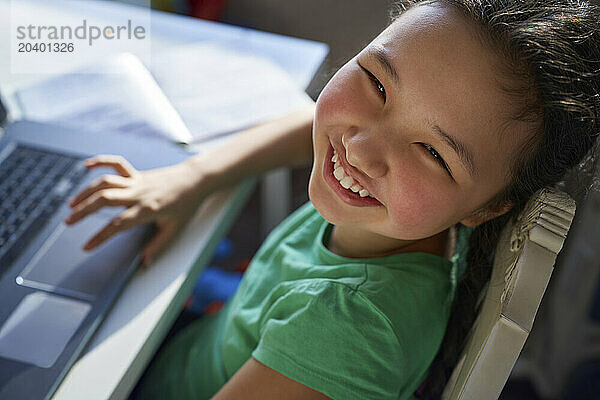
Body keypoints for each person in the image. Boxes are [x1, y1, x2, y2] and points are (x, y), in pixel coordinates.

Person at [64, 0, 600, 398]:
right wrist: (193, 176)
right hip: (205, 336)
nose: (362, 148)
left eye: (434, 154)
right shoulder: (405, 219)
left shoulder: (343, 332)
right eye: (377, 83)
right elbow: (316, 120)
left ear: (487, 209)